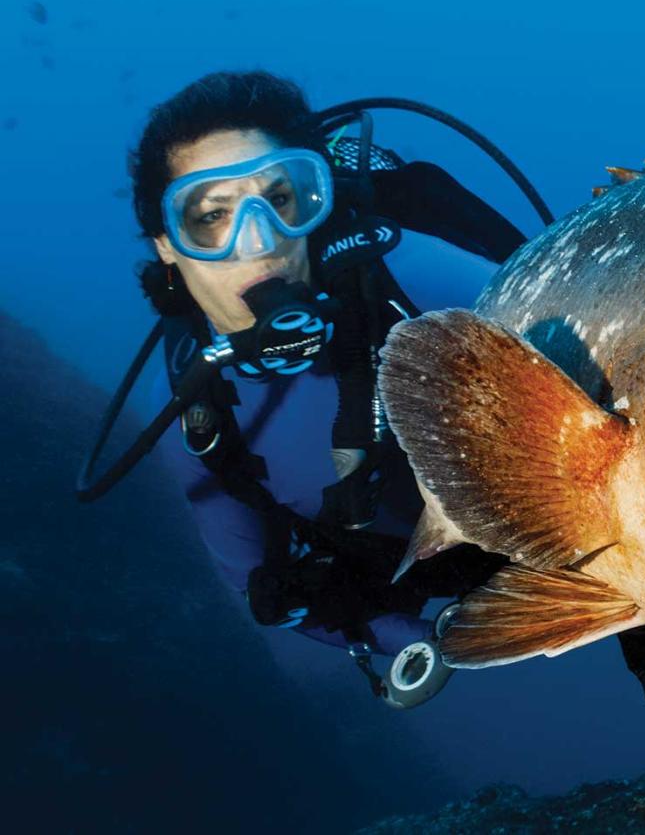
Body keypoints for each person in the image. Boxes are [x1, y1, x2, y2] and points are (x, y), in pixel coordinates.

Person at [129, 70, 513, 702]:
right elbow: (267, 589)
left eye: (281, 199)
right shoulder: (192, 413)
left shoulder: (426, 282)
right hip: (431, 578)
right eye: (211, 216)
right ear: (167, 245)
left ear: (319, 198)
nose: (260, 242)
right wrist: (421, 641)